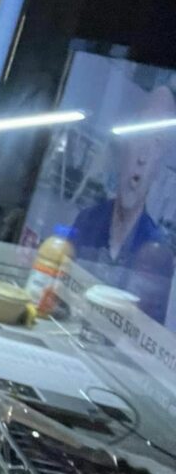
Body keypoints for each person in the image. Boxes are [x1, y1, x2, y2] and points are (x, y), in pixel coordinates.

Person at [70, 84, 176, 324]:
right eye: (141, 133)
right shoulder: (87, 221)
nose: (142, 157)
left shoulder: (157, 253)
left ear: (159, 167)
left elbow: (147, 340)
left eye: (157, 142)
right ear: (124, 143)